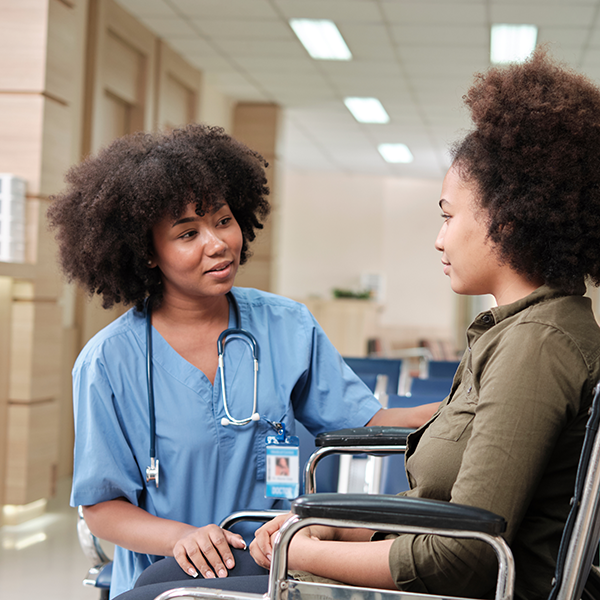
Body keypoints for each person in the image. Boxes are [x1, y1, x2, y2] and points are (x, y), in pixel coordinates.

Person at [118, 50, 600, 600]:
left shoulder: (537, 346)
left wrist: (302, 547)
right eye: (186, 233)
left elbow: (463, 554)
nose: (439, 238)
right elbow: (442, 514)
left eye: (447, 215)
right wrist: (327, 525)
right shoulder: (518, 333)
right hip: (423, 563)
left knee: (157, 593)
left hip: (446, 586)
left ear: (507, 220)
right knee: (163, 577)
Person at [48, 124, 438, 599]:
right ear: (148, 253)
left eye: (223, 220)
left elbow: (371, 423)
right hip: (166, 586)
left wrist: (465, 404)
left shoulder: (286, 325)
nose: (217, 243)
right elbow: (102, 508)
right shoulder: (108, 363)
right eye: (188, 233)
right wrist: (182, 538)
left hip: (273, 577)